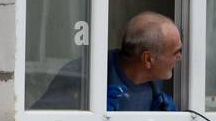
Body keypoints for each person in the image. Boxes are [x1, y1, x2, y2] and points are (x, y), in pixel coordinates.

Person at [33, 11, 182, 111]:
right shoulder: (82, 74)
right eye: (176, 52)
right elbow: (37, 120)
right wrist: (83, 111)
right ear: (148, 59)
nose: (180, 57)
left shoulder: (155, 81)